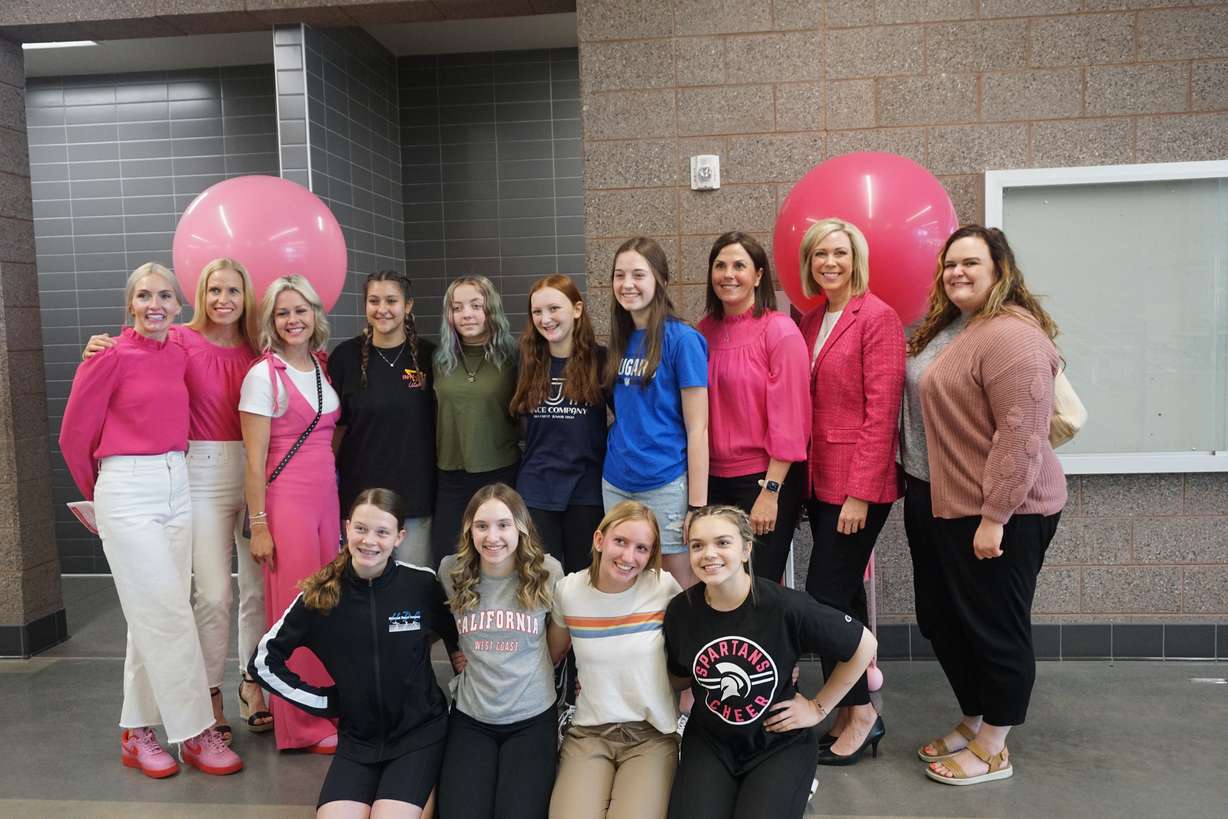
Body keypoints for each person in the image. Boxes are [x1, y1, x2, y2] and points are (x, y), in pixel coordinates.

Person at [59, 262, 242, 778]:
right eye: (144, 296)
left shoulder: (180, 350)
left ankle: (136, 732)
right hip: (126, 487)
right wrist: (103, 498)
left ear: (179, 307)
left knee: (153, 616)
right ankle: (196, 732)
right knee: (168, 613)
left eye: (164, 296)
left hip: (178, 481)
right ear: (130, 305)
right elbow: (73, 436)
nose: (154, 304)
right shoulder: (108, 356)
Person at [83, 258, 271, 739]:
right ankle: (208, 693)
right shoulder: (180, 339)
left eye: (233, 290)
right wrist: (99, 348)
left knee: (257, 592)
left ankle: (253, 683)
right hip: (200, 474)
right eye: (214, 290)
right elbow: (136, 354)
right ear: (199, 296)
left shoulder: (260, 347)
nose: (224, 299)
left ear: (246, 296)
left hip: (257, 470)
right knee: (214, 594)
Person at [912, 225, 1066, 786]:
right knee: (944, 618)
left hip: (1004, 511)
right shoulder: (958, 326)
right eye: (950, 263)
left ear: (1000, 269)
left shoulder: (1013, 337)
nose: (957, 272)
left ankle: (995, 745)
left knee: (995, 626)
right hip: (944, 500)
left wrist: (995, 517)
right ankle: (976, 717)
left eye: (971, 263)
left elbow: (1021, 436)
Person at [248, 488, 459, 819]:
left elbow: (456, 633)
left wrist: (461, 672)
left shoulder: (420, 585)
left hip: (419, 735)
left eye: (382, 532)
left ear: (399, 537)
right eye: (361, 528)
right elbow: (263, 662)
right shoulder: (320, 596)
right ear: (347, 527)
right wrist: (322, 701)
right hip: (358, 741)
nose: (369, 540)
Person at [663, 506, 876, 819]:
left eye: (723, 543)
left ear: (746, 549)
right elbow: (680, 675)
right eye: (697, 545)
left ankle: (791, 786)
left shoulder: (784, 606)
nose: (709, 554)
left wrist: (818, 708)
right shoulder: (682, 610)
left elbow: (864, 644)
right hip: (711, 742)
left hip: (777, 743)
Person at [797, 217, 904, 765]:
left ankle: (862, 711)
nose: (829, 262)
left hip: (858, 485)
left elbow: (882, 412)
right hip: (821, 481)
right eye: (820, 254)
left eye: (839, 252)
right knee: (846, 597)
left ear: (856, 258)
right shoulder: (812, 318)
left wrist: (859, 493)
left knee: (823, 597)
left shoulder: (878, 318)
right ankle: (848, 709)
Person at [239, 274, 342, 753]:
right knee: (296, 609)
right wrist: (259, 525)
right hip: (288, 503)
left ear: (315, 314)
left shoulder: (320, 366)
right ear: (271, 321)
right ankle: (299, 726)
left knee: (327, 604)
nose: (293, 320)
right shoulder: (264, 376)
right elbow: (253, 461)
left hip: (326, 499)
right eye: (283, 313)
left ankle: (325, 708)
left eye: (301, 310)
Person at [546, 501, 682, 819]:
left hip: (651, 736)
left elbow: (699, 646)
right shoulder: (569, 591)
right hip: (590, 734)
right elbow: (549, 656)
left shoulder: (663, 587)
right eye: (620, 541)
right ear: (599, 540)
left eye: (641, 548)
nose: (628, 557)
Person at [436, 483, 564, 819]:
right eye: (482, 526)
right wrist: (456, 652)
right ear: (470, 529)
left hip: (532, 715)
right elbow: (441, 622)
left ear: (521, 527)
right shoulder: (451, 571)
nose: (492, 537)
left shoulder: (547, 572)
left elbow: (557, 640)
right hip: (472, 715)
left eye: (503, 525)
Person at [697, 232, 809, 586]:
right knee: (719, 587)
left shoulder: (780, 331)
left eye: (739, 266)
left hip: (762, 480)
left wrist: (770, 492)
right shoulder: (703, 333)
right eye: (720, 266)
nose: (728, 274)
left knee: (757, 588)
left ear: (758, 275)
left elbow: (791, 421)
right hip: (712, 481)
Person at [604, 237, 709, 591]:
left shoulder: (683, 340)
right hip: (616, 482)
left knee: (677, 589)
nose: (627, 284)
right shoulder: (620, 339)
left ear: (661, 280)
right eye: (619, 275)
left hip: (665, 482)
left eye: (638, 274)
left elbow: (698, 429)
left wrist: (697, 506)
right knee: (625, 583)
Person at [330, 271, 437, 566]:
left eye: (391, 301)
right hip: (360, 498)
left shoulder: (430, 357)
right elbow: (336, 429)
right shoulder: (345, 357)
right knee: (363, 579)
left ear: (408, 305)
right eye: (374, 301)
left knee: (414, 579)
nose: (382, 309)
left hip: (415, 497)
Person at [511, 274, 607, 572]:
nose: (545, 319)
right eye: (537, 312)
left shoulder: (601, 360)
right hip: (537, 489)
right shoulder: (526, 361)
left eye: (554, 309)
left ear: (577, 309)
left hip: (586, 489)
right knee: (540, 577)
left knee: (584, 576)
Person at [430, 276, 519, 567]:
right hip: (450, 474)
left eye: (476, 306)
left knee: (498, 557)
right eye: (457, 307)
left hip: (499, 471)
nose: (466, 314)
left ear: (490, 309)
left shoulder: (512, 357)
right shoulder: (440, 360)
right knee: (448, 558)